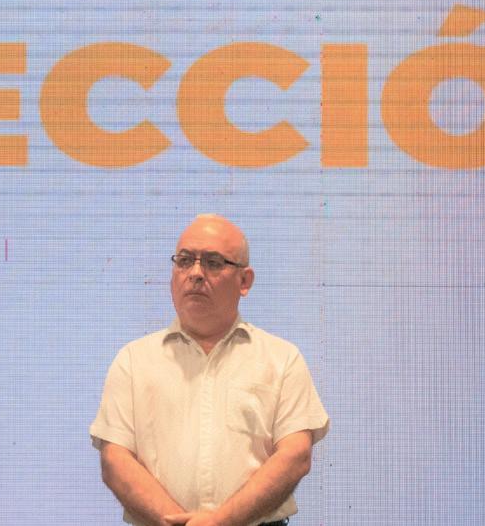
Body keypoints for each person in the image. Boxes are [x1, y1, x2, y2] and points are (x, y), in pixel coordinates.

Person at [90, 215, 328, 526]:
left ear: (244, 281)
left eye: (213, 263)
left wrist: (221, 521)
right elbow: (115, 459)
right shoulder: (134, 361)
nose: (195, 273)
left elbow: (295, 455)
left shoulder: (281, 358)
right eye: (184, 261)